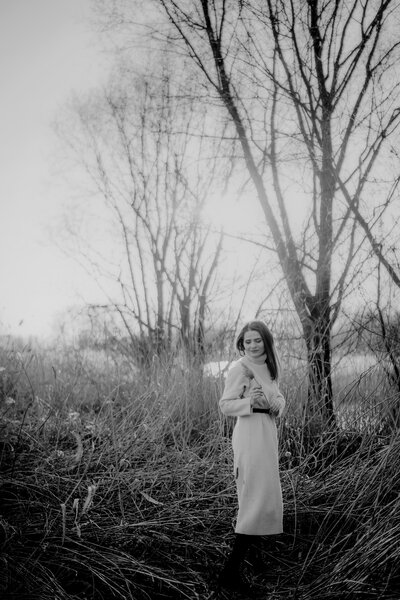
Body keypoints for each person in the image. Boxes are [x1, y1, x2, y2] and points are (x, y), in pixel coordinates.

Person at [218, 320, 285, 593]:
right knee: (253, 500)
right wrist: (250, 403)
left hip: (266, 432)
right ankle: (229, 574)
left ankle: (253, 562)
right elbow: (225, 405)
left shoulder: (270, 366)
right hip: (248, 434)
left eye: (257, 340)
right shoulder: (240, 368)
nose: (253, 345)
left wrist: (276, 404)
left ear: (265, 340)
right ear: (242, 344)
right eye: (248, 342)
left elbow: (277, 397)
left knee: (265, 497)